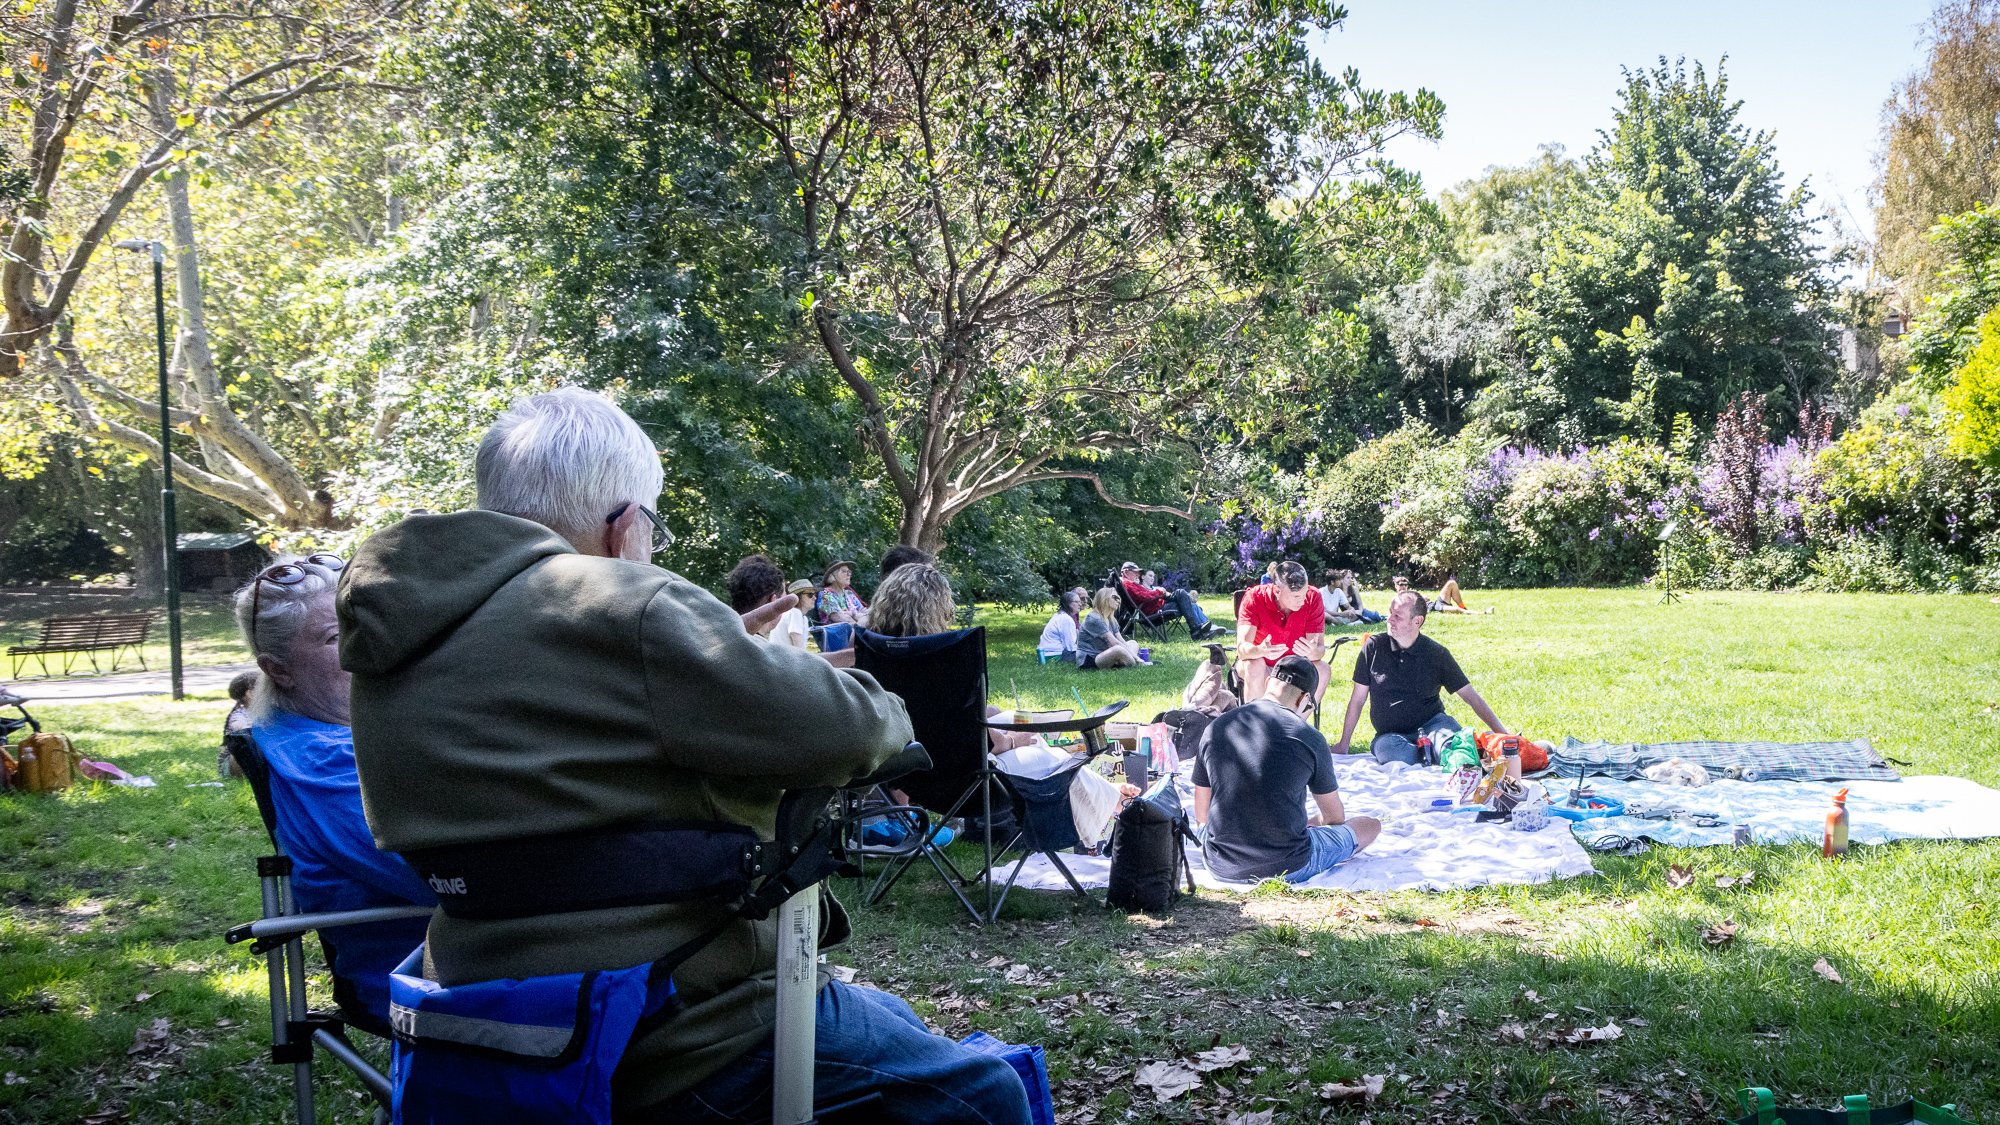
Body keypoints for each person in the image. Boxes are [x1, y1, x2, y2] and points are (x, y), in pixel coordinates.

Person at [336, 388, 1029, 1124]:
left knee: (889, 1014)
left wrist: (718, 649)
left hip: (480, 1015)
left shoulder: (396, 639)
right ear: (626, 525)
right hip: (670, 1029)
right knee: (984, 1093)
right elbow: (857, 727)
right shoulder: (620, 601)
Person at [232, 554, 434, 1027]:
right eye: (332, 636)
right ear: (277, 669)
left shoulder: (330, 729)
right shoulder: (321, 765)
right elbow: (442, 873)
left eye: (362, 623)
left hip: (473, 949)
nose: (365, 643)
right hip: (429, 975)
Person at [1191, 655, 1380, 884]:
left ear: (1269, 681)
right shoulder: (1308, 737)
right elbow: (1334, 817)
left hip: (1221, 864)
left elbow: (1202, 816)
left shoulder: (1216, 726)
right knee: (1370, 825)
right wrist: (1309, 823)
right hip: (1289, 864)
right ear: (1304, 699)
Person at [1331, 589, 1513, 774]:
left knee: (1453, 749)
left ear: (1417, 621)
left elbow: (1470, 696)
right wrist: (1344, 744)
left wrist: (1503, 734)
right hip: (1391, 735)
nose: (1389, 619)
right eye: (1390, 612)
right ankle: (1431, 755)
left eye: (1398, 616)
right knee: (1389, 753)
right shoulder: (1373, 647)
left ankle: (1449, 753)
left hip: (1434, 726)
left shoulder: (1436, 653)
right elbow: (1357, 699)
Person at [1235, 561, 1328, 704]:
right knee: (1254, 665)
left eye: (1304, 594)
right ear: (1277, 591)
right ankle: (1257, 722)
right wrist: (1260, 650)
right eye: (1297, 596)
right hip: (1262, 665)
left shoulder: (1313, 597)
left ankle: (1295, 724)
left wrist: (1312, 651)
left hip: (1293, 669)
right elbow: (1242, 650)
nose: (1303, 601)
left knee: (1323, 669)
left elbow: (1320, 651)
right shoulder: (1255, 597)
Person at [1118, 561, 1217, 640]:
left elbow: (1145, 594)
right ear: (1126, 572)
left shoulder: (1130, 583)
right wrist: (1160, 591)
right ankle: (1197, 630)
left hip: (1157, 605)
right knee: (1183, 597)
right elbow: (1145, 596)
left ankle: (1198, 629)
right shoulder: (1127, 584)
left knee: (1181, 595)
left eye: (1138, 572)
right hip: (1153, 612)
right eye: (1135, 572)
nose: (1137, 574)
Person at [1078, 587, 1146, 669]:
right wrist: (1137, 658)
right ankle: (1132, 663)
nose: (1118, 601)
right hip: (1090, 659)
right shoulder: (1094, 618)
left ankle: (1125, 662)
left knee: (1133, 643)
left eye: (1119, 598)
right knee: (1118, 649)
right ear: (1104, 599)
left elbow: (1120, 640)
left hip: (1104, 653)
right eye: (1115, 597)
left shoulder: (1111, 619)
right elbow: (1114, 642)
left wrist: (1132, 654)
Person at [217, 669, 257, 778]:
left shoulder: (267, 712)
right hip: (231, 764)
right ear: (250, 694)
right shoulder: (239, 716)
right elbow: (242, 735)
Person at [817, 560, 870, 628]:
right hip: (839, 636)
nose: (849, 575)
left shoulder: (849, 594)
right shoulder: (826, 594)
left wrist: (854, 614)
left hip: (858, 631)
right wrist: (857, 616)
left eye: (849, 572)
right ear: (832, 576)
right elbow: (842, 619)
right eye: (844, 571)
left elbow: (864, 611)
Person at [1037, 589, 1083, 664]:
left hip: (1048, 654)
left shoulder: (1060, 615)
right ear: (1068, 603)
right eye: (1077, 602)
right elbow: (1070, 647)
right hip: (1055, 656)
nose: (1080, 604)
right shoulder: (1066, 619)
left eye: (1080, 601)